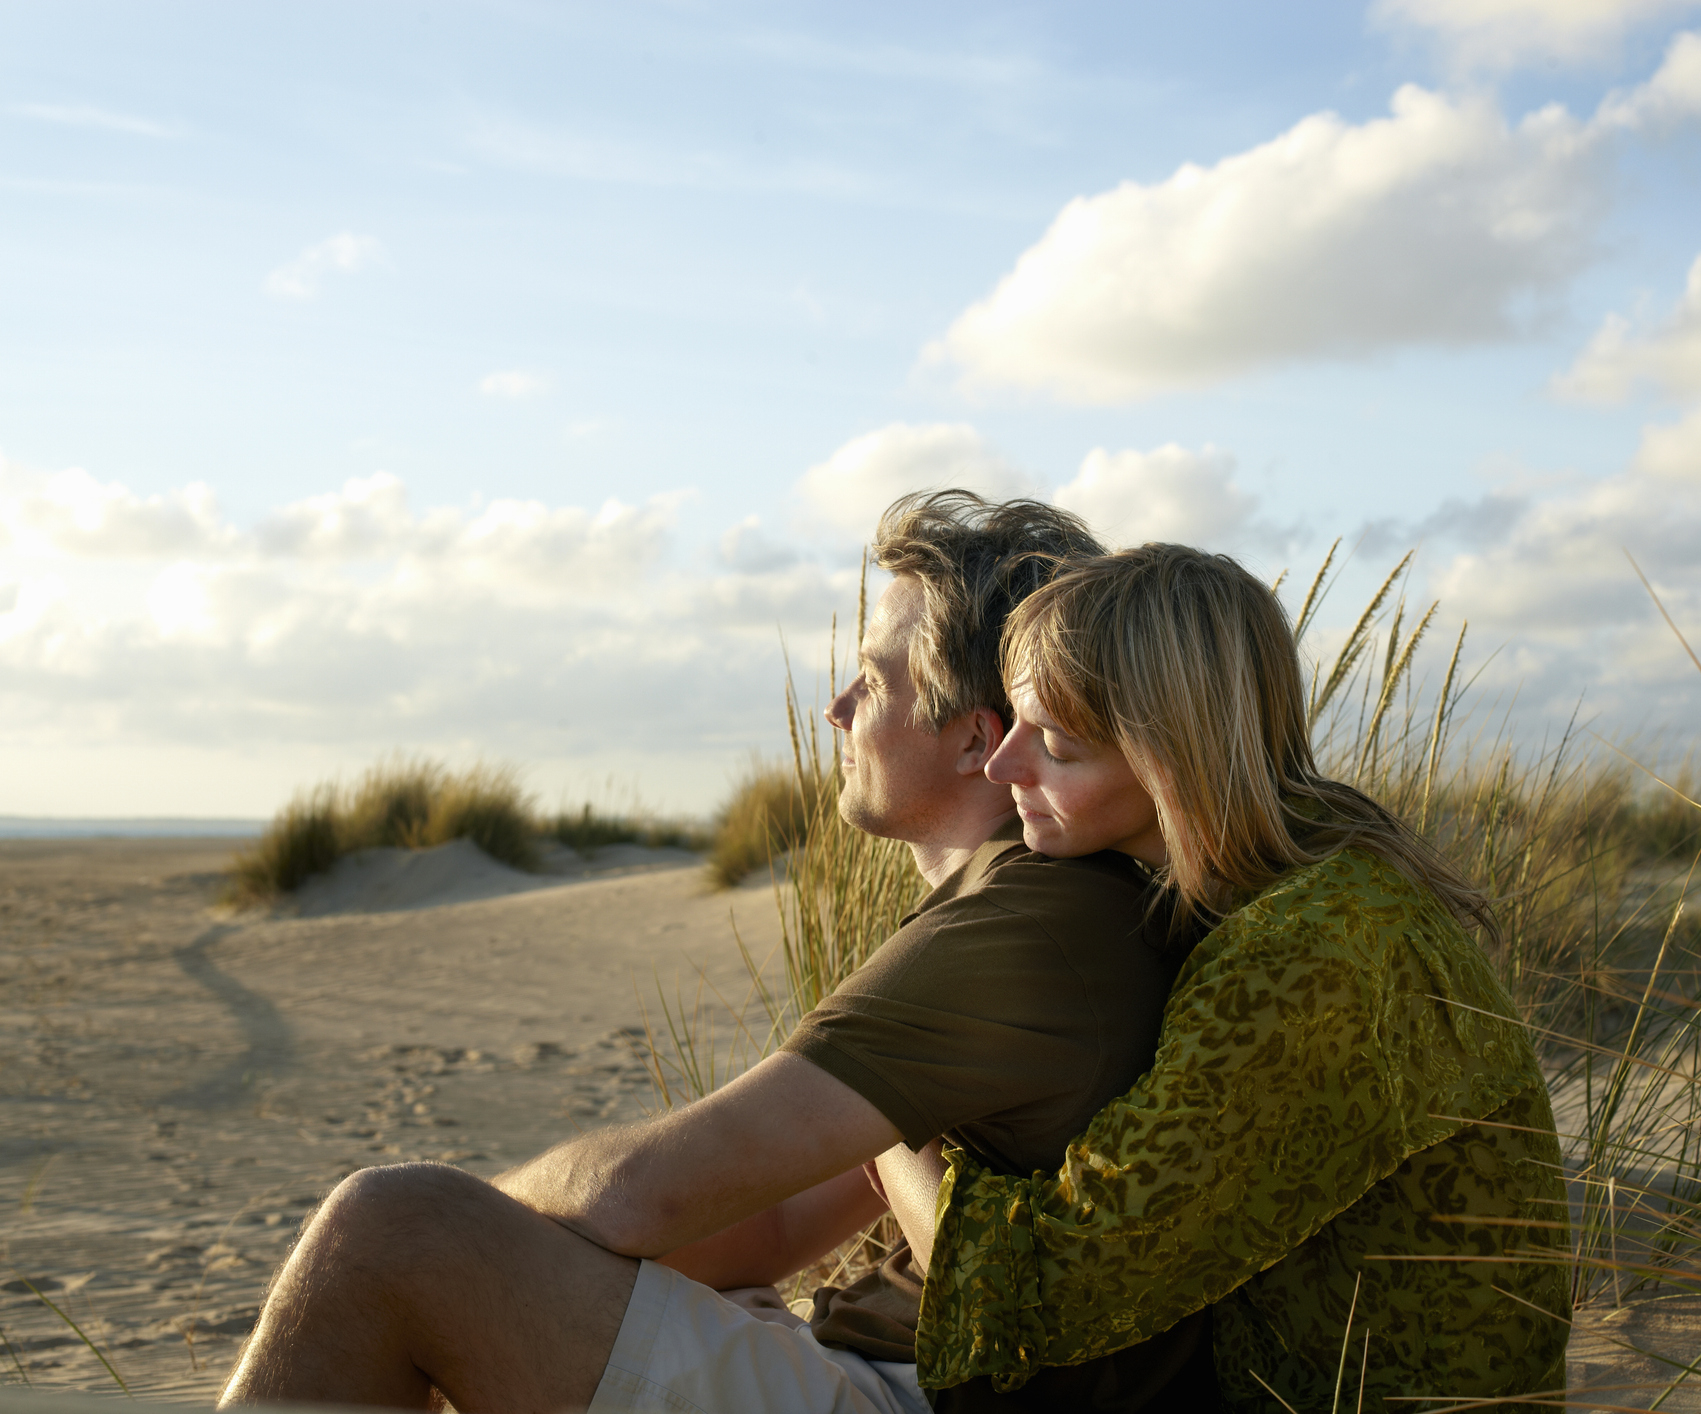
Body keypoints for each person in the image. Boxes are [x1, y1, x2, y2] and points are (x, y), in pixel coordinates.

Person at [218, 491, 1206, 1412]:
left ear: (971, 739)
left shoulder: (1017, 928)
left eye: (873, 677)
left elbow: (639, 1195)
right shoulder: (1023, 909)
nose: (838, 709)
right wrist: (541, 1275)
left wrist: (483, 1231)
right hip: (869, 1361)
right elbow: (769, 1226)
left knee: (391, 1229)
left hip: (913, 1392)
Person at [898, 544, 1571, 1413]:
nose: (1004, 765)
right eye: (1017, 725)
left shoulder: (1306, 957)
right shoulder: (1325, 871)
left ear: (1171, 756)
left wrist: (890, 1118)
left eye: (1056, 743)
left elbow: (1055, 1289)